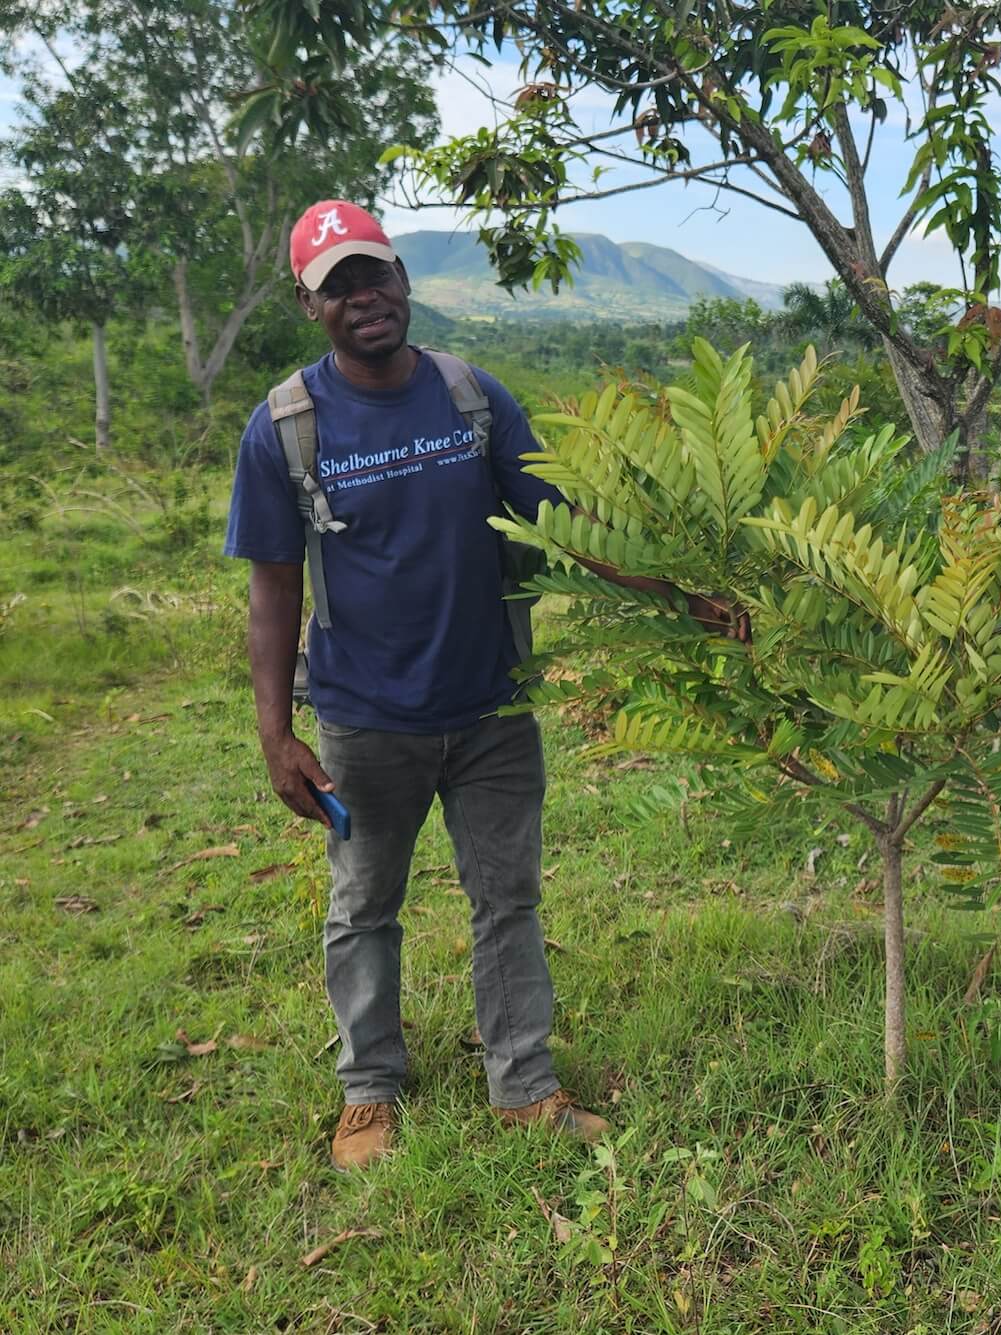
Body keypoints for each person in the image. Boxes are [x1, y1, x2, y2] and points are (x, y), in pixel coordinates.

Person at [224, 200, 745, 1172]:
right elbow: (272, 585)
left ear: (404, 279)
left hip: (495, 712)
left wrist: (683, 593)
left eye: (373, 272)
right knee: (365, 906)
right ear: (311, 305)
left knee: (507, 900)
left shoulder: (472, 397)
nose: (363, 296)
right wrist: (275, 734)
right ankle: (370, 1090)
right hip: (364, 723)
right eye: (338, 285)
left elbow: (561, 519)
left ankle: (523, 1084)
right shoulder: (285, 427)